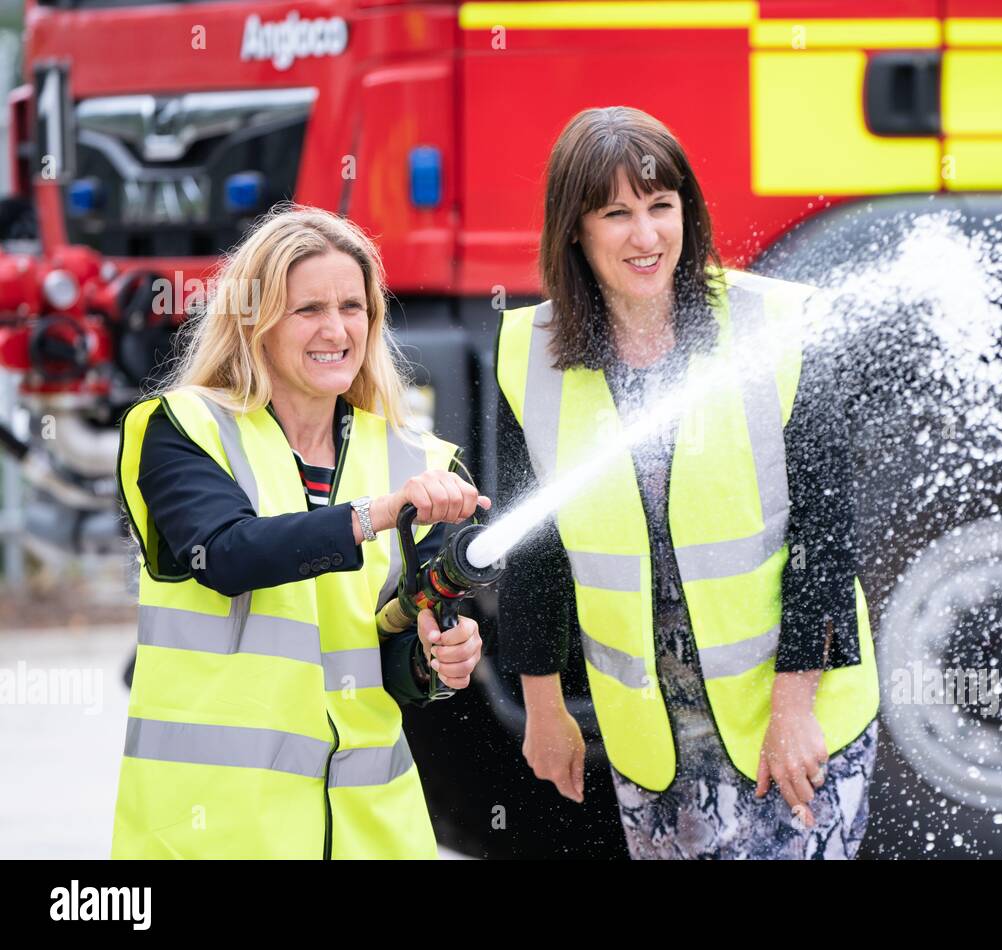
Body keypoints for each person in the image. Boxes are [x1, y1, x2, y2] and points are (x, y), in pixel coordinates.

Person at [494, 107, 881, 859]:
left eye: (660, 207)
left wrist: (796, 707)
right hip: (657, 744)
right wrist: (545, 707)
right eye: (617, 214)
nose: (646, 237)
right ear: (575, 228)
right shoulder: (528, 357)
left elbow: (825, 534)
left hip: (790, 720)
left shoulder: (771, 326)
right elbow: (534, 549)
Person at [111, 204, 488, 859]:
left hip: (370, 833)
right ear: (254, 322)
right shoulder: (184, 431)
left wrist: (434, 657)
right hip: (216, 834)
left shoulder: (417, 460)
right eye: (308, 309)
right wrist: (374, 514)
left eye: (353, 307)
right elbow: (225, 555)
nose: (336, 329)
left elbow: (388, 658)